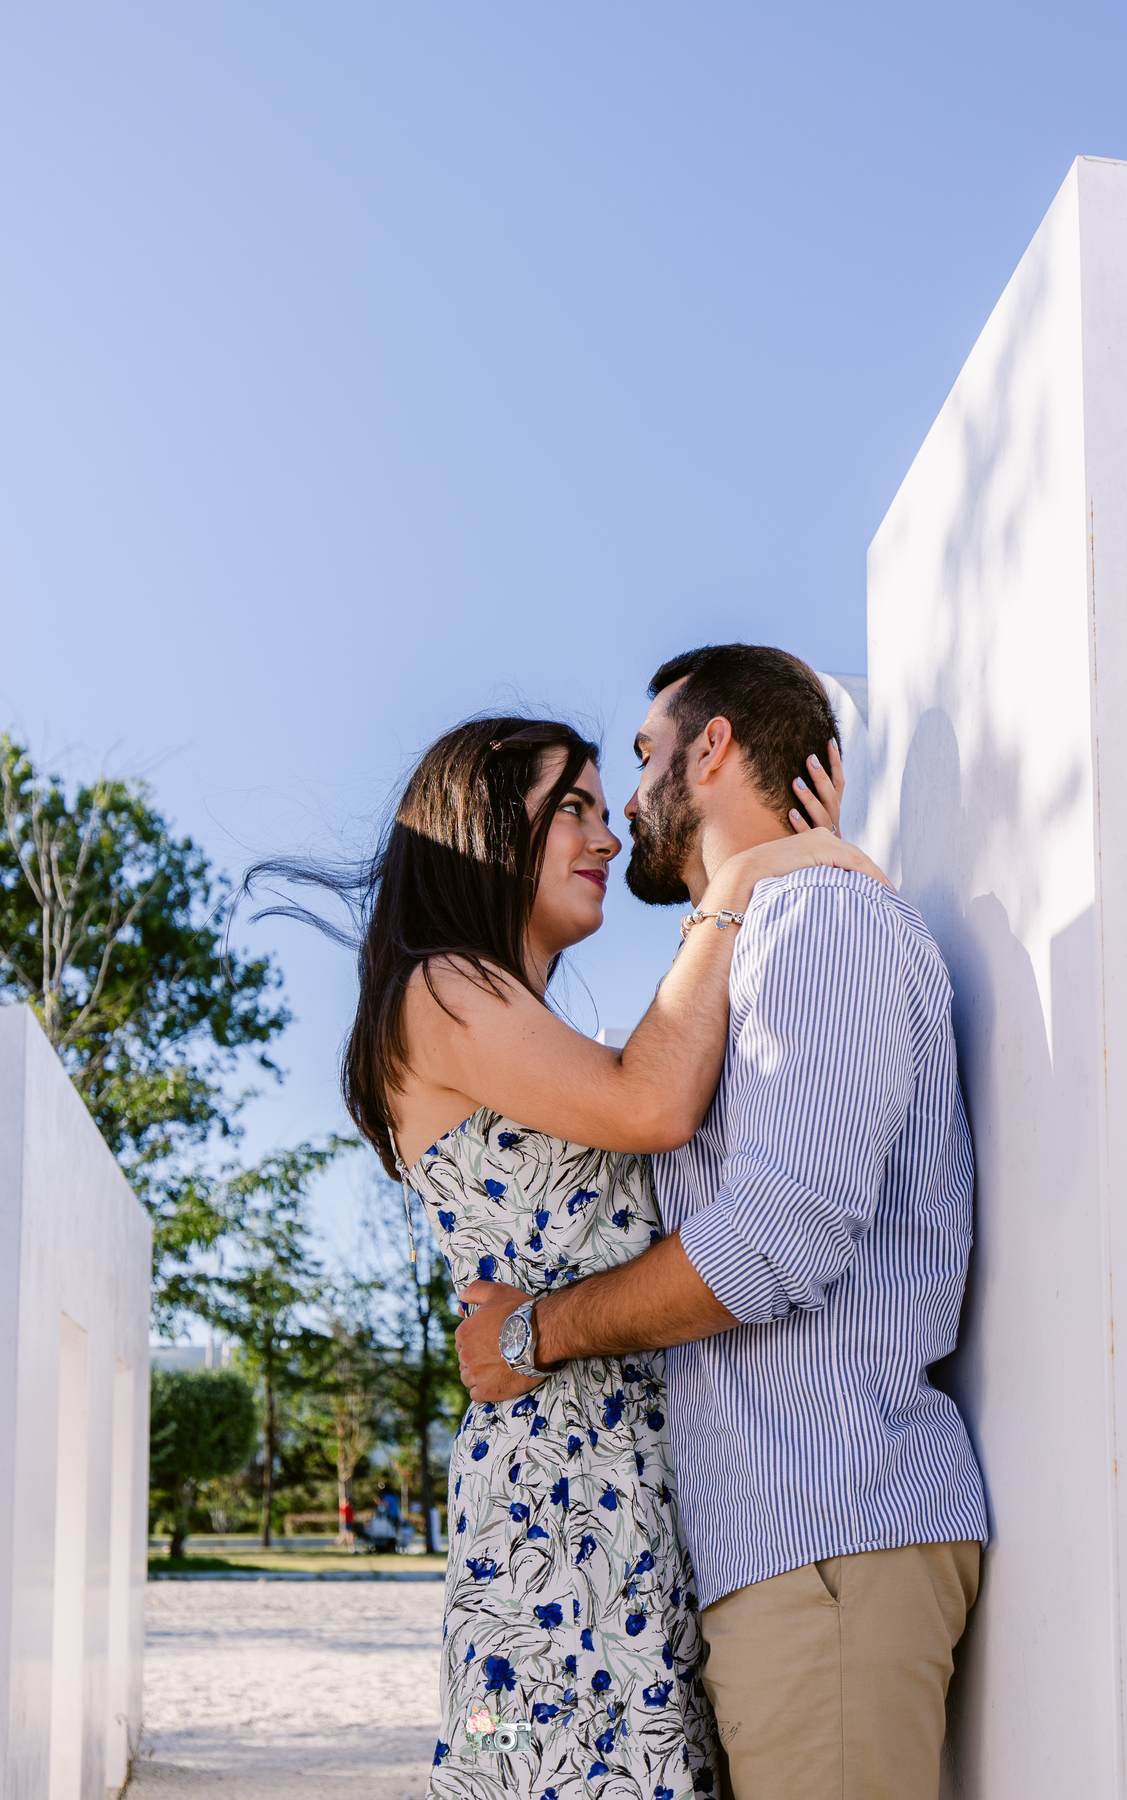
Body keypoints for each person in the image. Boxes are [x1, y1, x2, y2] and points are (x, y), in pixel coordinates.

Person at [252, 704, 881, 1799]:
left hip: (625, 1484)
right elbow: (654, 1100)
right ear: (489, 832)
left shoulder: (521, 1022)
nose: (605, 836)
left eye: (604, 804)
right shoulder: (445, 988)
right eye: (572, 810)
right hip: (560, 1493)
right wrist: (743, 884)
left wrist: (791, 867)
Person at [457, 645, 989, 1800]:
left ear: (713, 747)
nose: (627, 805)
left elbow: (770, 1241)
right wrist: (740, 888)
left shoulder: (820, 927)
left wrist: (533, 1334)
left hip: (831, 1542)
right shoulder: (771, 931)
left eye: (644, 757)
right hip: (790, 1557)